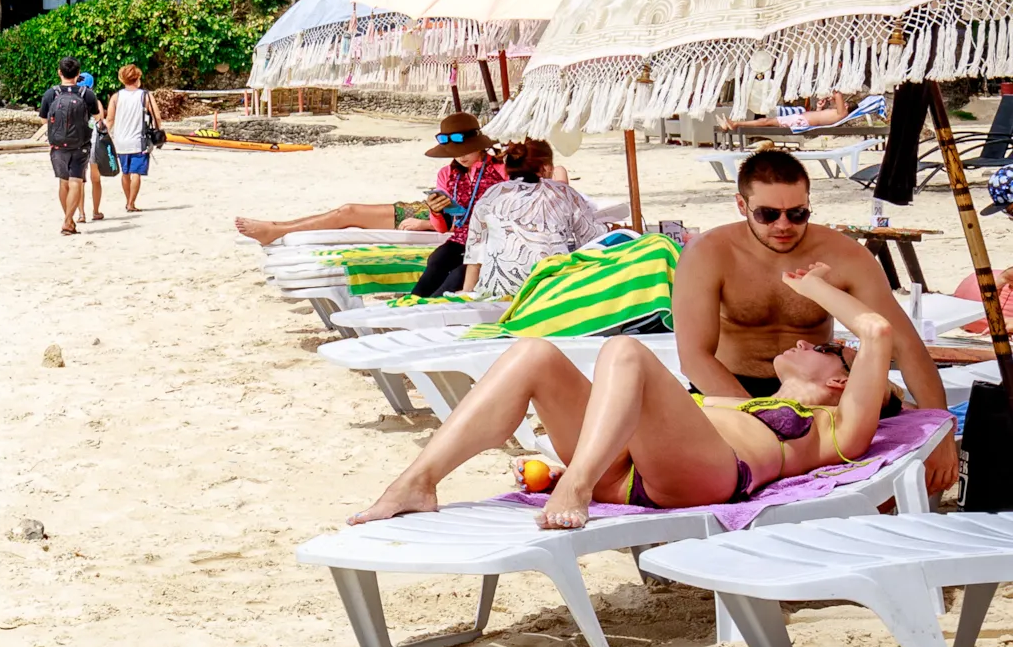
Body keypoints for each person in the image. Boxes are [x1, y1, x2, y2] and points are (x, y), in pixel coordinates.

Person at [353, 294, 904, 531]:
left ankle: (578, 486)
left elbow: (876, 330)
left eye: (824, 347)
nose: (805, 343)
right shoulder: (744, 402)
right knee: (533, 353)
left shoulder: (837, 430)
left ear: (841, 381)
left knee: (625, 350)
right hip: (627, 468)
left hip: (706, 477)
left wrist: (811, 285)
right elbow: (644, 416)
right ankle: (417, 482)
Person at [676, 151, 952, 454]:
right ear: (742, 205)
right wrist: (760, 420)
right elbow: (695, 358)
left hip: (821, 391)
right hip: (731, 387)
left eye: (797, 214)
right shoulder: (708, 254)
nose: (783, 225)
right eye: (767, 214)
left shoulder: (844, 256)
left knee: (913, 429)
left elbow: (906, 346)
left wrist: (940, 432)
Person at [234, 115, 493, 246]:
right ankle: (276, 227)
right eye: (454, 152)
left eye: (465, 150)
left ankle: (276, 230)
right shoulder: (448, 173)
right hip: (426, 212)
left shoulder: (498, 171)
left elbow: (480, 219)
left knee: (348, 213)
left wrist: (425, 225)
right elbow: (446, 209)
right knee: (347, 211)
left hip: (432, 219)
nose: (460, 156)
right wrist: (429, 218)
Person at [455, 140, 602, 300]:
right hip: (548, 287)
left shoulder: (491, 194)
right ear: (546, 166)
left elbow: (475, 251)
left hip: (497, 289)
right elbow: (592, 238)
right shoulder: (563, 192)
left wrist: (467, 290)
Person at [42, 59, 102, 236]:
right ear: (78, 74)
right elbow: (97, 118)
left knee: (63, 182)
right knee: (76, 181)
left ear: (59, 72)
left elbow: (44, 120)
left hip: (58, 145)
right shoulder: (87, 94)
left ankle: (68, 220)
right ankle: (68, 221)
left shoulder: (51, 93)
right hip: (80, 144)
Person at [103, 64, 154, 216]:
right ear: (137, 78)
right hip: (138, 141)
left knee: (125, 173)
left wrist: (105, 136)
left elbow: (110, 119)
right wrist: (159, 130)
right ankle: (131, 203)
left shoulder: (116, 97)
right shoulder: (145, 96)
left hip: (120, 141)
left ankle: (127, 200)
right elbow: (156, 116)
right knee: (136, 172)